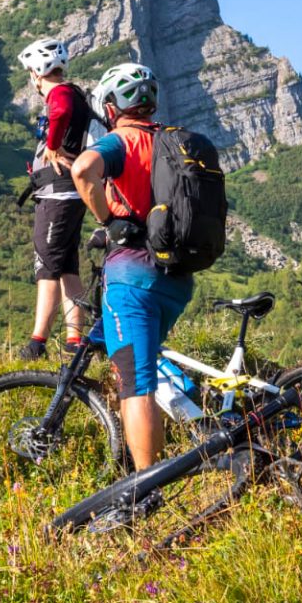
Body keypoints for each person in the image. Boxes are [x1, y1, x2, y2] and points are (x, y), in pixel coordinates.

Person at [71, 62, 193, 471]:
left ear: (110, 106)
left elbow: (82, 169)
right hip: (176, 278)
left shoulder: (121, 140)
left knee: (135, 385)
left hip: (132, 275)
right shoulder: (173, 143)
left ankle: (146, 488)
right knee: (136, 360)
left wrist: (108, 220)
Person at [16, 38, 93, 360]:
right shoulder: (76, 92)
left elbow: (59, 111)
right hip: (71, 193)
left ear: (36, 72)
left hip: (57, 194)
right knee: (67, 269)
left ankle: (37, 344)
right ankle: (75, 341)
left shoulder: (59, 93)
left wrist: (52, 142)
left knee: (46, 268)